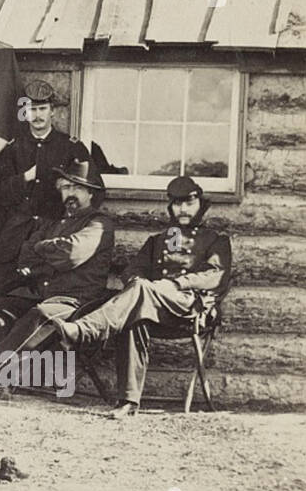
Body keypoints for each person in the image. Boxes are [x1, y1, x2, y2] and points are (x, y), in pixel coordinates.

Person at [52, 175, 233, 419]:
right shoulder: (158, 240)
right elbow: (133, 270)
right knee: (134, 311)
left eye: (189, 203)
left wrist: (175, 283)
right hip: (157, 307)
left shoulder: (215, 240)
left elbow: (215, 276)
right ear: (171, 207)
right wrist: (137, 280)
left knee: (140, 294)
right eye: (177, 204)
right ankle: (128, 402)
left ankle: (83, 330)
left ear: (200, 205)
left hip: (191, 307)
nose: (183, 209)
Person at [0, 159, 115, 359]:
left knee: (42, 315)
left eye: (78, 188)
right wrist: (45, 250)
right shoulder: (52, 224)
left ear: (90, 193)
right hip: (45, 296)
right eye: (66, 187)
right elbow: (25, 255)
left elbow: (70, 254)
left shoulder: (98, 224)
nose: (70, 193)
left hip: (77, 304)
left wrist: (41, 247)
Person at [0, 80, 90, 259]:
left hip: (55, 233)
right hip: (17, 235)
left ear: (52, 111)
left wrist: (70, 222)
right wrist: (25, 178)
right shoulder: (13, 148)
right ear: (25, 113)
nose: (37, 115)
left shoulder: (71, 147)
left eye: (42, 108)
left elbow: (93, 190)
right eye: (32, 110)